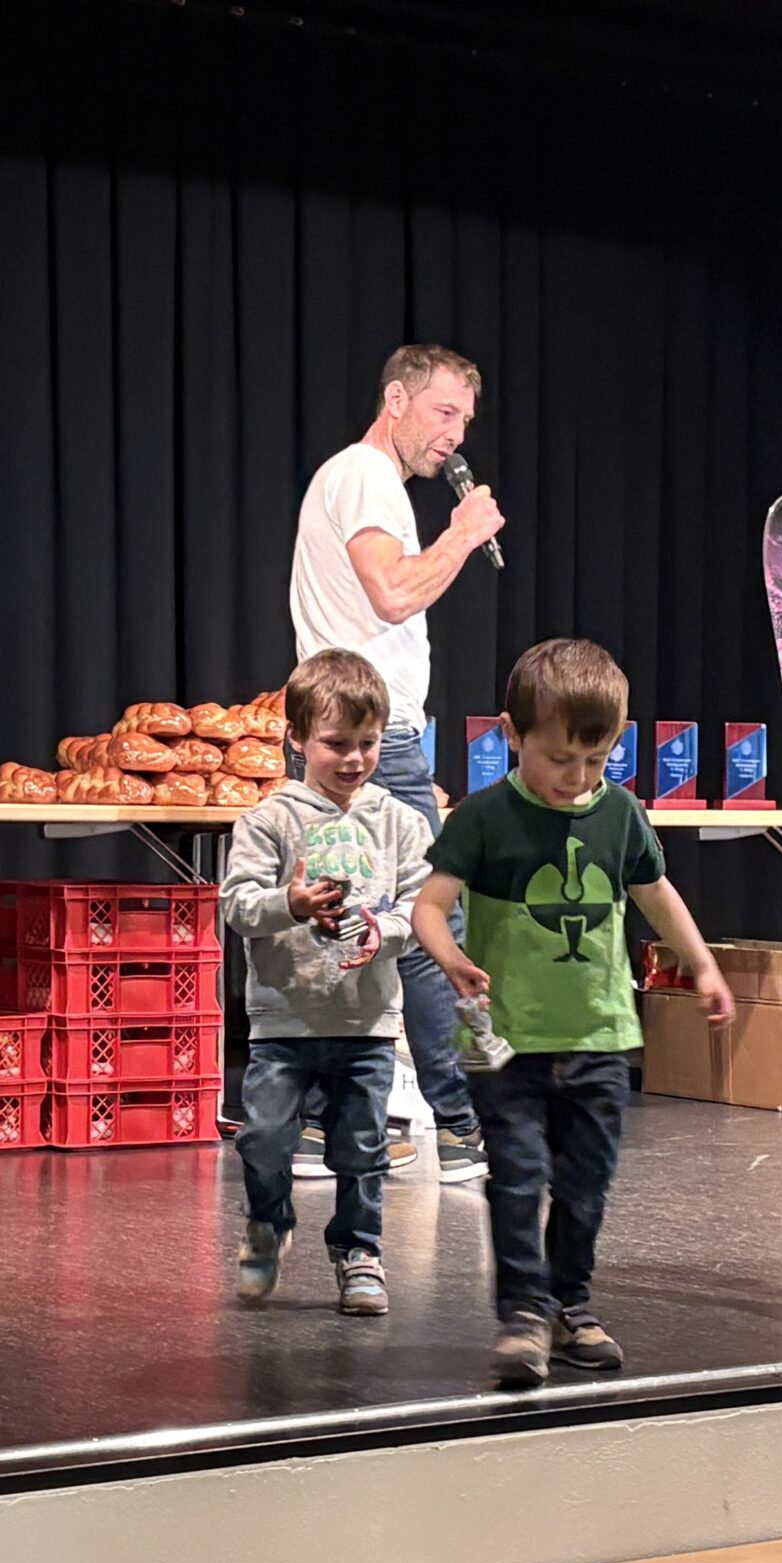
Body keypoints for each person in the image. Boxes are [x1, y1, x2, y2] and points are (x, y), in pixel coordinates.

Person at [414, 639, 736, 1388]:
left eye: (597, 759)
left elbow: (657, 895)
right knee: (517, 1177)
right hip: (508, 1044)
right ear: (511, 734)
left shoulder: (619, 814)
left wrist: (702, 964)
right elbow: (428, 906)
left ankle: (570, 1306)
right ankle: (523, 1314)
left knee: (586, 1185)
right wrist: (450, 957)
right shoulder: (484, 818)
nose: (579, 777)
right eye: (560, 758)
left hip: (600, 1037)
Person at [288, 342, 507, 1186]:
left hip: (353, 735)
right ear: (396, 400)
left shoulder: (360, 482)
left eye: (465, 421)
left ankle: (324, 1129)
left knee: (347, 926)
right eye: (444, 412)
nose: (455, 436)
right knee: (427, 926)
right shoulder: (367, 476)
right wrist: (462, 533)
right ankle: (457, 1129)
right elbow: (392, 593)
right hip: (368, 739)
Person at [219, 651, 436, 1317]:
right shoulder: (268, 820)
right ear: (297, 739)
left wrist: (385, 932)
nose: (354, 759)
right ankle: (268, 1224)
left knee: (363, 1148)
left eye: (368, 743)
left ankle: (359, 1250)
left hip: (366, 1021)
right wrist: (290, 903)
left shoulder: (400, 822)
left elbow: (421, 907)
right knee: (264, 1138)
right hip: (283, 1022)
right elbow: (237, 906)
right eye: (336, 743)